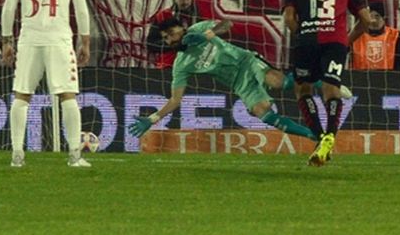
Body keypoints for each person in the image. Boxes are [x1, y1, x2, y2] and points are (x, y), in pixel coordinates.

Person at [129, 18, 317, 144]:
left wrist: (205, 35)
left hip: (246, 61)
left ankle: (319, 79)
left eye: (171, 32)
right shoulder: (181, 65)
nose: (170, 39)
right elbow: (175, 99)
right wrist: (152, 119)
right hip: (239, 83)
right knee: (263, 113)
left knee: (278, 83)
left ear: (182, 28)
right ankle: (314, 135)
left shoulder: (198, 28)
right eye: (165, 38)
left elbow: (226, 25)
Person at [1, 0, 91, 168]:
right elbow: (81, 10)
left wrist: (6, 40)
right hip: (59, 38)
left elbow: (9, 8)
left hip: (29, 37)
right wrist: (85, 41)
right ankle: (74, 155)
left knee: (22, 95)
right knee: (67, 95)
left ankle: (17, 155)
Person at [283, 0, 371, 166]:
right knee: (331, 90)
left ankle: (320, 137)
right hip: (335, 43)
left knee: (303, 88)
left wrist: (302, 34)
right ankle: (331, 135)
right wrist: (346, 42)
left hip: (307, 42)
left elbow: (289, 18)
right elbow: (367, 21)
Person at [146, 0, 200, 68]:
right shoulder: (163, 16)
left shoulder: (202, 16)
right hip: (169, 66)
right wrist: (173, 43)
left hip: (194, 65)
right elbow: (151, 44)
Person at [350, 2, 400, 70]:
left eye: (377, 16)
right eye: (371, 16)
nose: (373, 20)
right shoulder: (357, 34)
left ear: (383, 18)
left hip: (387, 78)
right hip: (359, 78)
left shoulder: (394, 35)